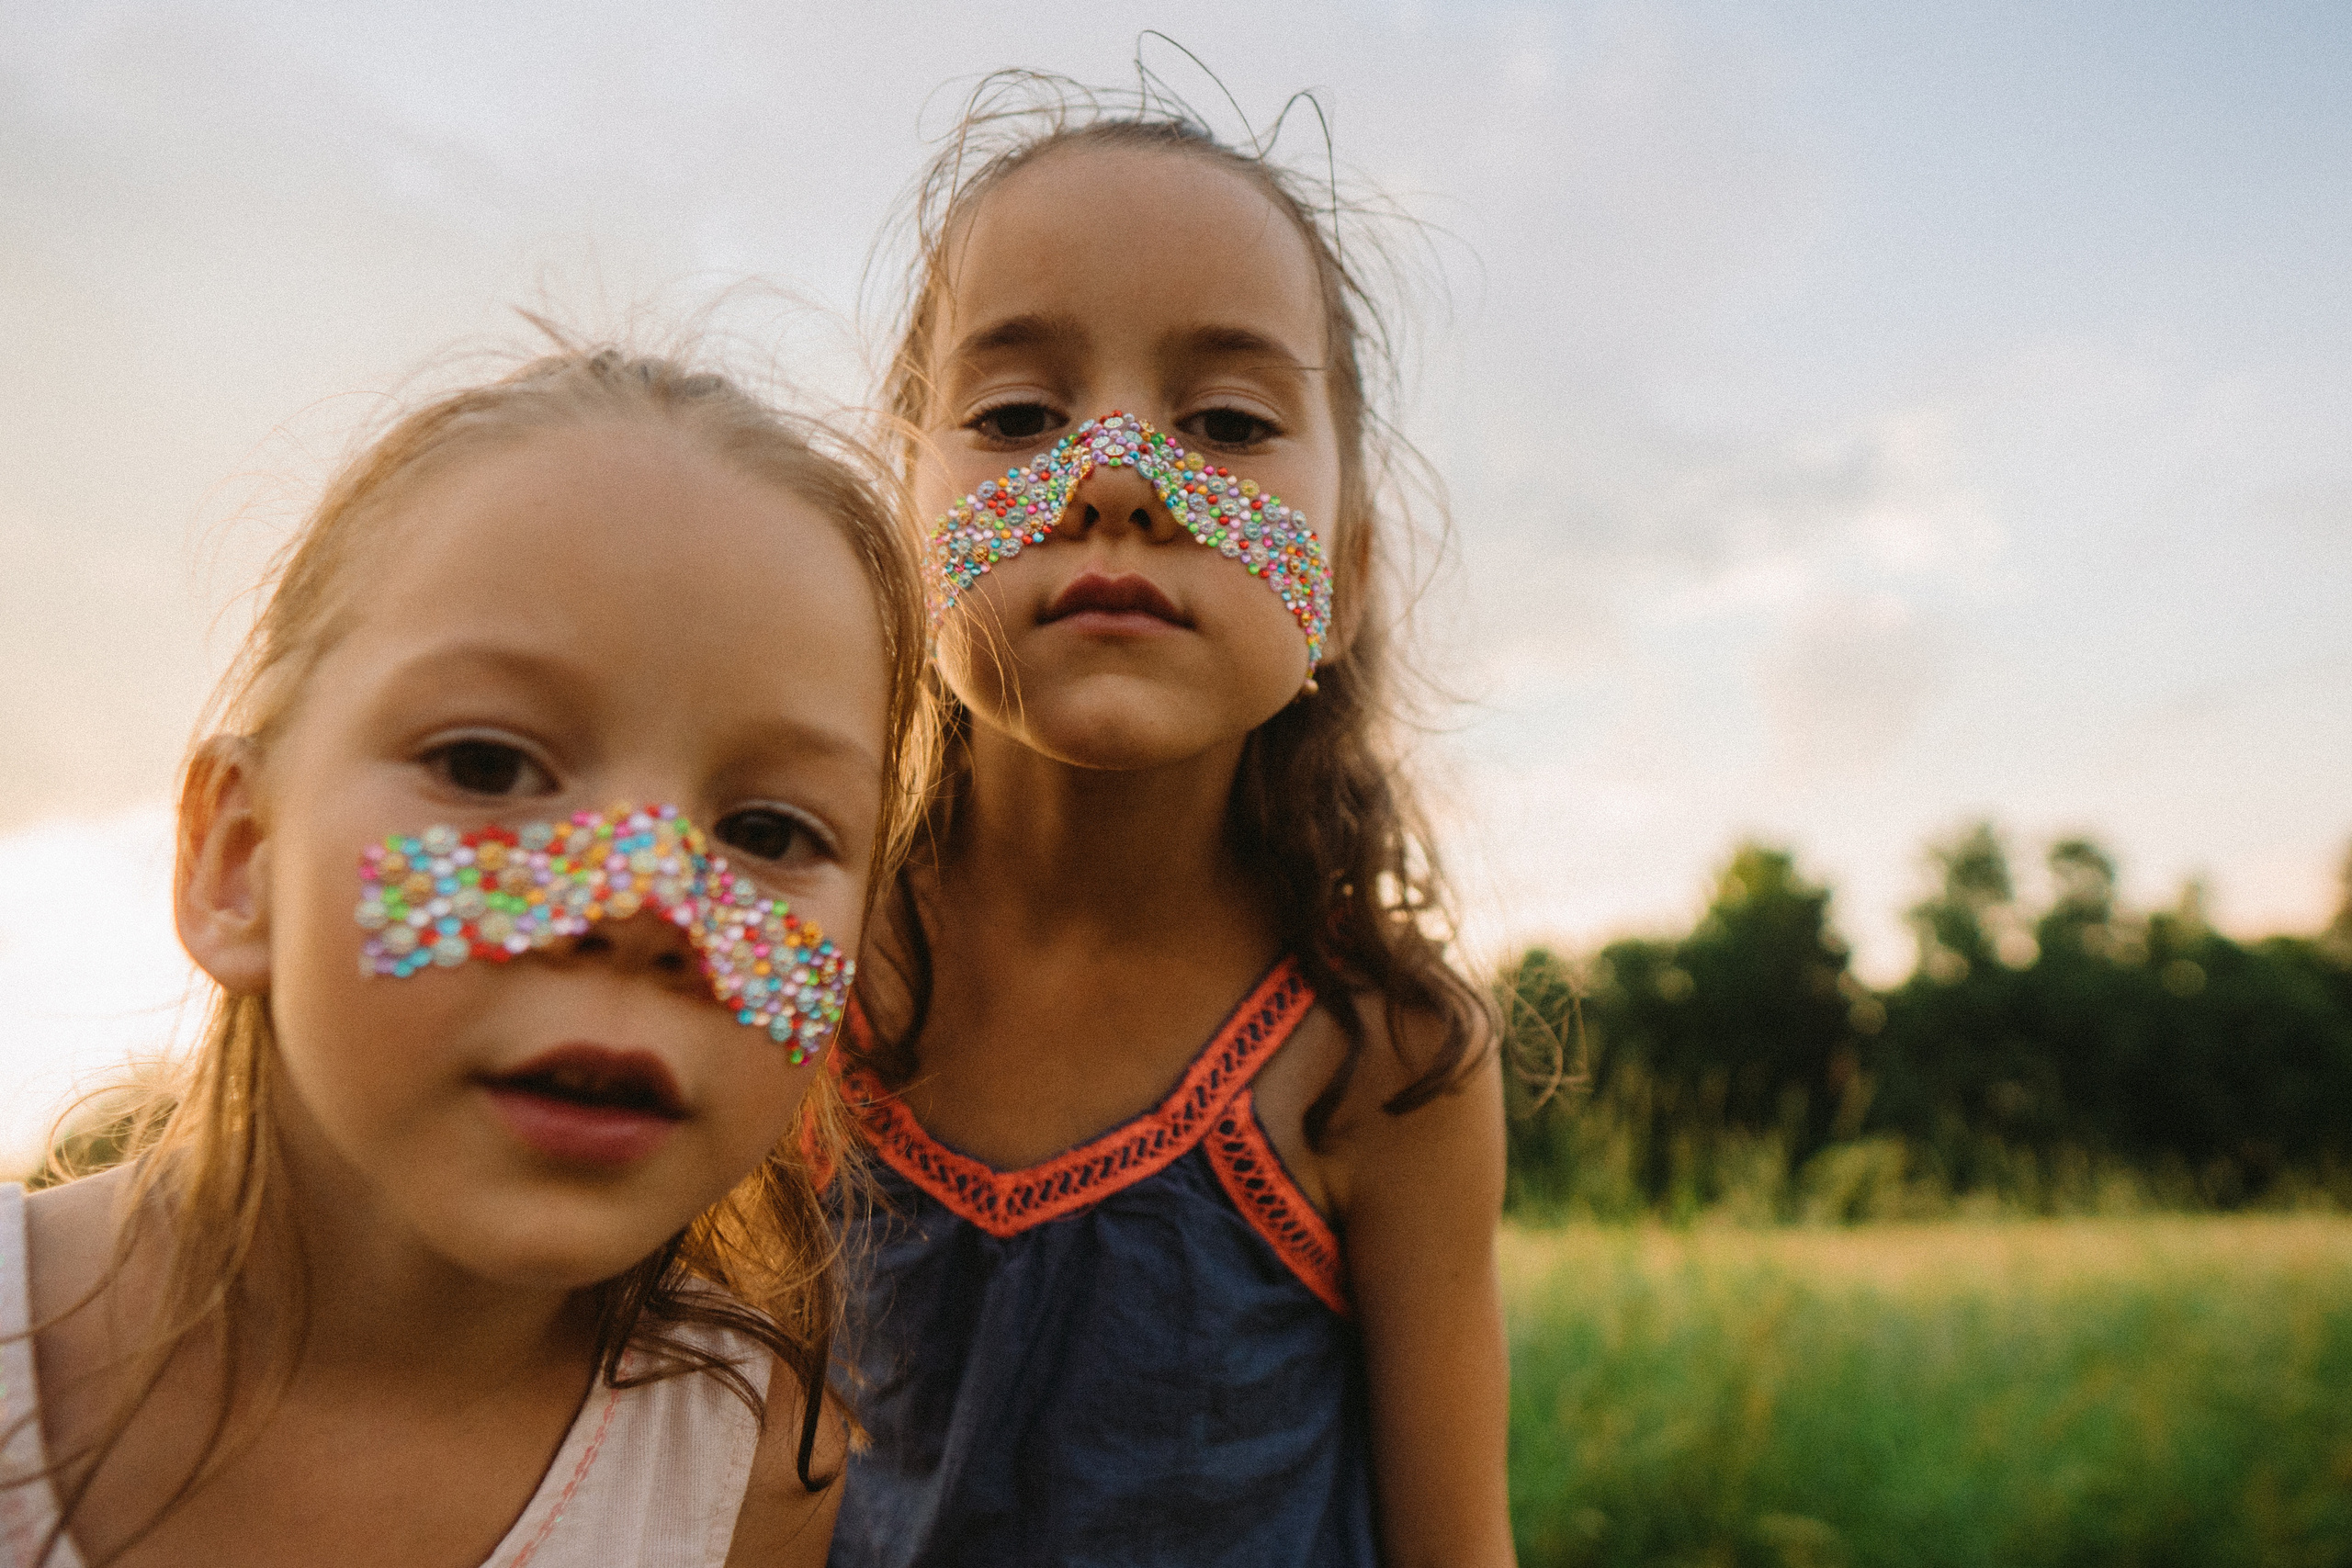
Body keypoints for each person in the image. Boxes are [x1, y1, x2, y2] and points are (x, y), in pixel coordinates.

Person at [2, 347, 928, 1568]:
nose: (649, 902)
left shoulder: (757, 1476)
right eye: (487, 767)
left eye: (768, 834)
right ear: (238, 857)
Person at [829, 81, 1515, 1568]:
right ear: (901, 529)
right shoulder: (796, 978)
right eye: (1018, 416)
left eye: (1227, 422)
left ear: (1339, 577)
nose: (1122, 478)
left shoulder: (1383, 1059)